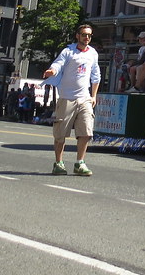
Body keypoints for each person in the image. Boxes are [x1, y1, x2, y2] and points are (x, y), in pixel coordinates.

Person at [43, 23, 101, 176]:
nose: (87, 37)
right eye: (84, 35)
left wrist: (93, 96)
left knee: (86, 132)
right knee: (60, 134)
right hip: (67, 98)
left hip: (85, 98)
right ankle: (58, 163)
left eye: (89, 35)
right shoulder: (68, 51)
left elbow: (96, 76)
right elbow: (58, 64)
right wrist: (52, 71)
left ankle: (80, 163)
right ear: (78, 36)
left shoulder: (93, 53)